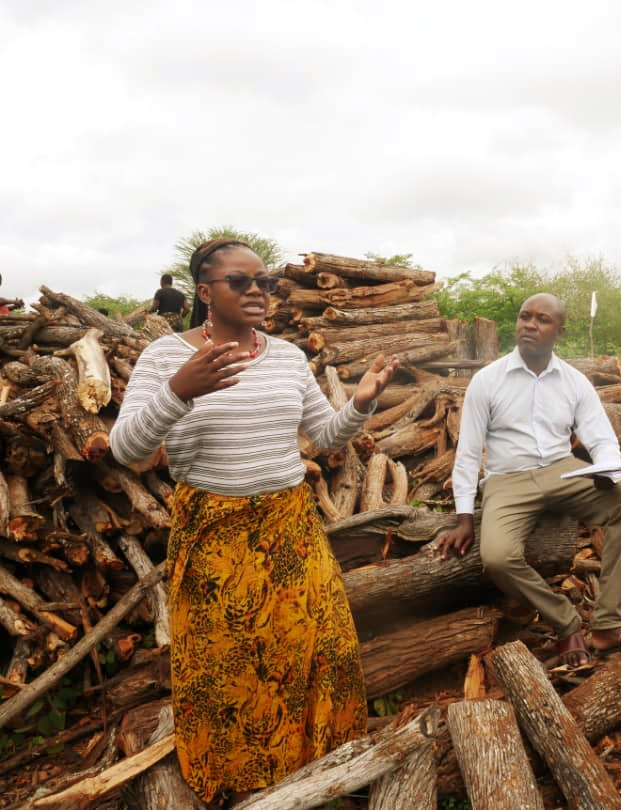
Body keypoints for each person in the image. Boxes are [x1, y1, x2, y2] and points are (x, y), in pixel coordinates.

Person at [111, 238, 399, 806]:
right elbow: (126, 449)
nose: (257, 293)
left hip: (289, 522)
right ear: (204, 292)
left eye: (264, 282)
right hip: (215, 528)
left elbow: (324, 436)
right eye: (240, 283)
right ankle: (242, 783)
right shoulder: (168, 358)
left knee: (321, 648)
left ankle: (321, 769)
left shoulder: (289, 357)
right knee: (228, 665)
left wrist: (361, 402)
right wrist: (177, 393)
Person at [434, 293, 621, 666]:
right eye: (525, 317)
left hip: (562, 470)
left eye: (542, 320)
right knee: (496, 557)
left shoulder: (574, 381)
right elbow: (469, 453)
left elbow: (601, 437)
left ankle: (607, 625)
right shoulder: (487, 381)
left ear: (560, 330)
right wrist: (463, 518)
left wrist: (606, 467)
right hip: (507, 480)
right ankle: (565, 621)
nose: (530, 325)